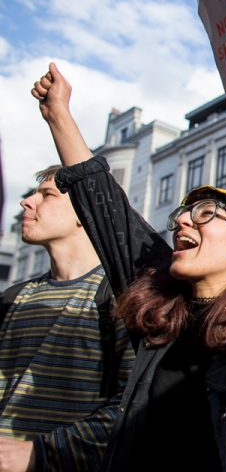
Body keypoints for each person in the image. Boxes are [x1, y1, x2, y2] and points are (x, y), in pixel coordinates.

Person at [32, 62, 226, 472]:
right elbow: (107, 209)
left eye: (207, 213)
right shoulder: (160, 304)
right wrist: (59, 115)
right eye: (184, 214)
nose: (184, 221)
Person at [0, 165, 135, 472]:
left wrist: (41, 453)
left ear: (83, 213)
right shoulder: (12, 298)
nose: (27, 202)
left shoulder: (120, 297)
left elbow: (132, 407)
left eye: (46, 194)